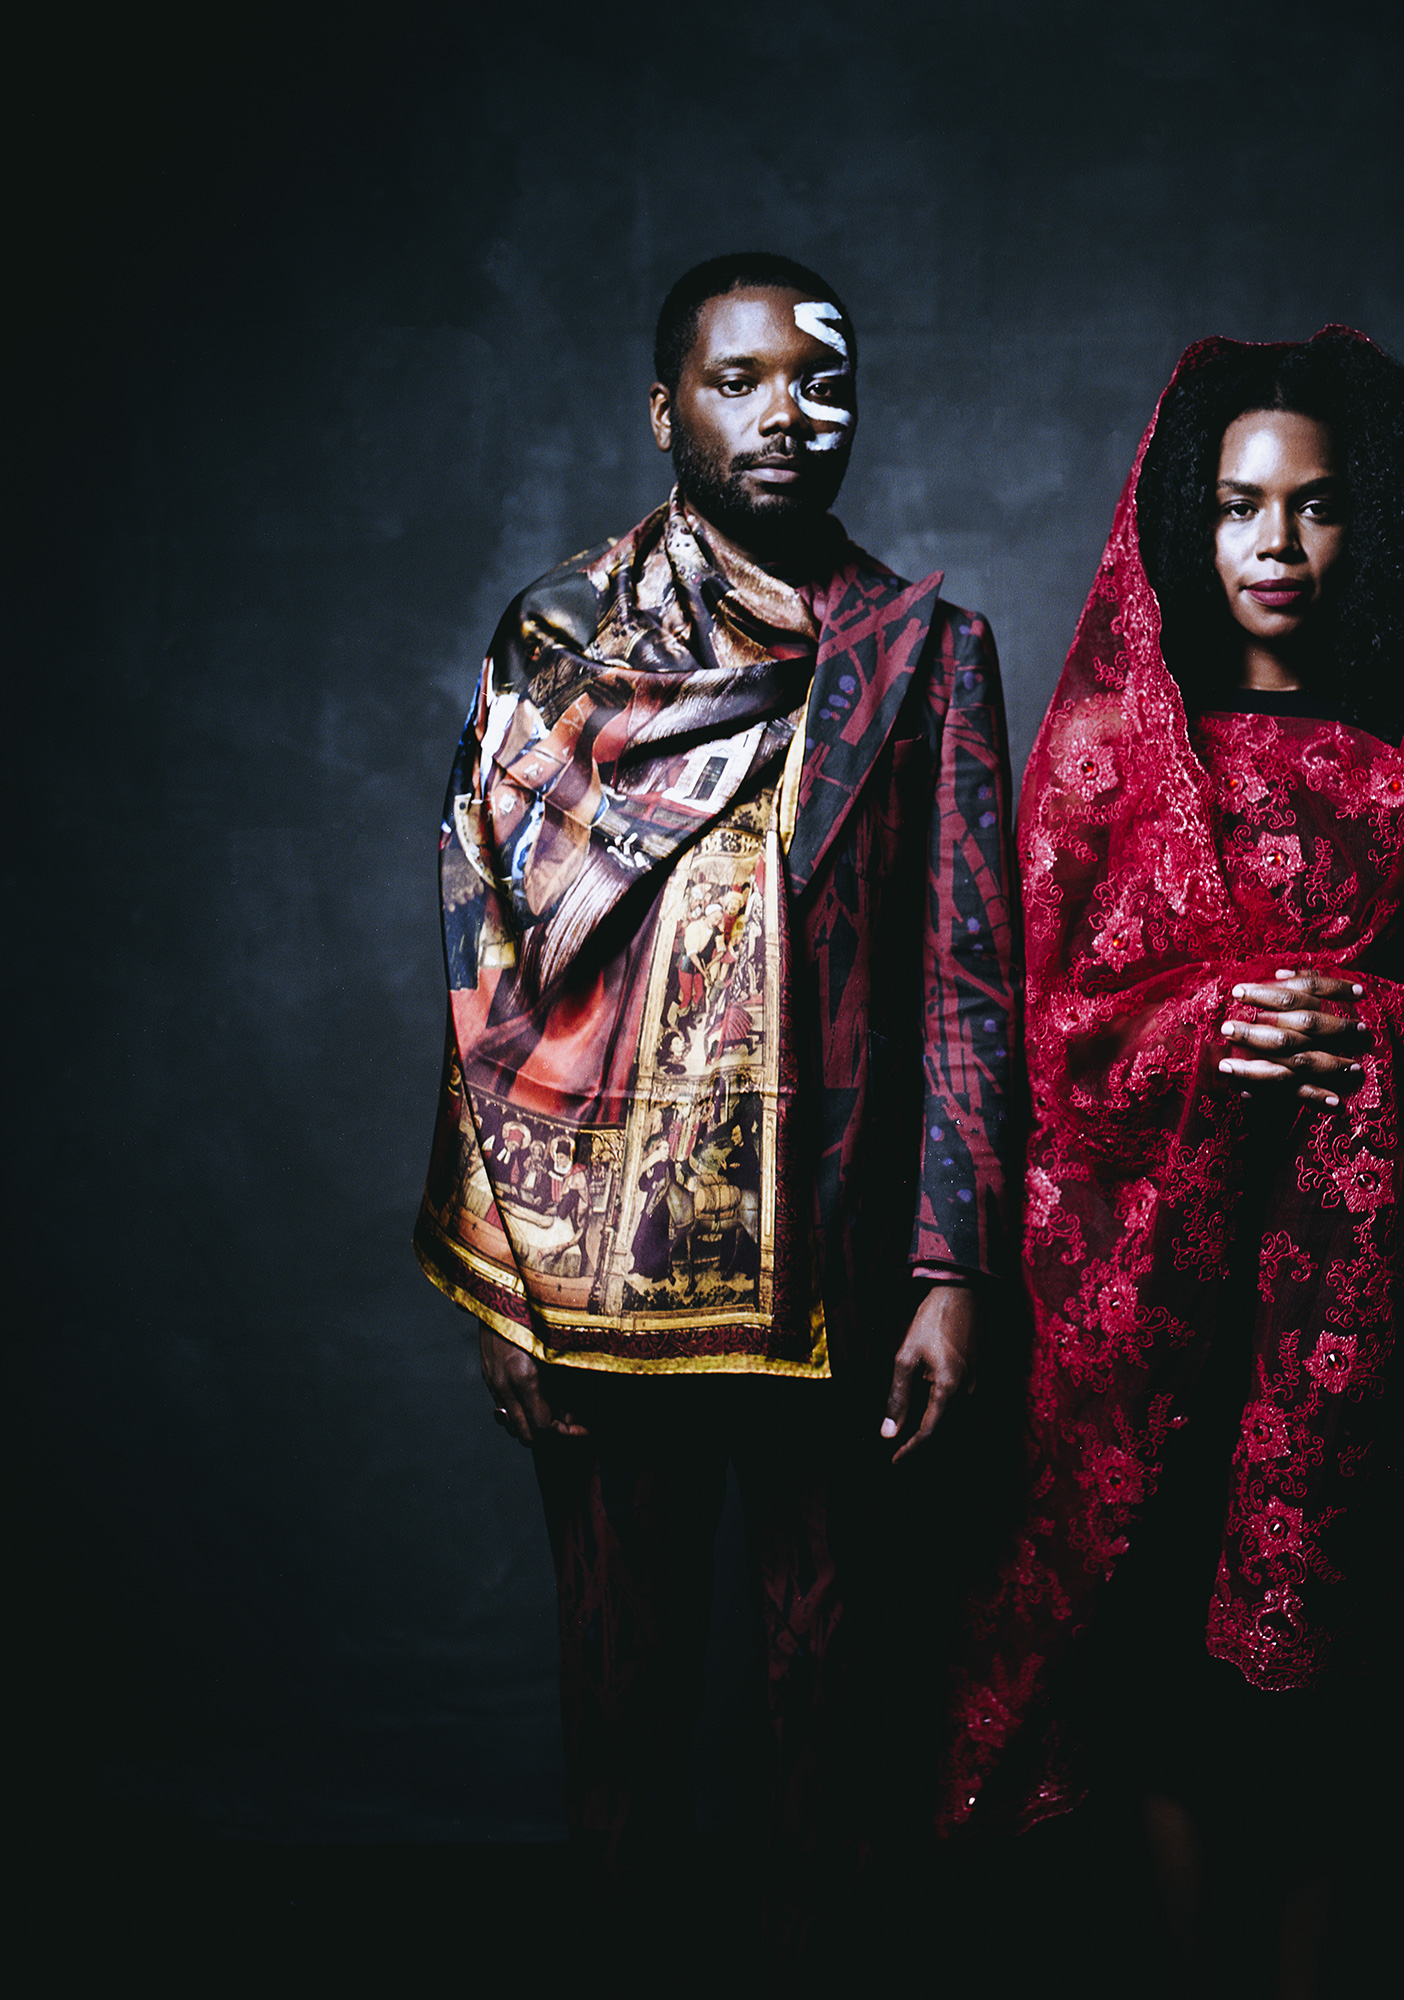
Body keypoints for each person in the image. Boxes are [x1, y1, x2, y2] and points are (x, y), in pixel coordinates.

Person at [942, 328, 1404, 1991]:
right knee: (1165, 1686)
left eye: (1313, 507)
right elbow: (1051, 1021)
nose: (1275, 545)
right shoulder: (1112, 751)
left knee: (1331, 1706)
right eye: (1239, 507)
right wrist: (1211, 1027)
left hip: (1362, 1334)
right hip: (1168, 1319)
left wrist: (1381, 1034)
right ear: (1192, 520)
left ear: (1367, 524)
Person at [412, 253, 1021, 1943]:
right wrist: (503, 1283)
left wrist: (954, 1267)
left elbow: (969, 979)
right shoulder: (561, 645)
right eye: (738, 381)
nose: (784, 415)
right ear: (663, 410)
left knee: (840, 1711)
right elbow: (483, 973)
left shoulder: (923, 654)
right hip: (594, 1277)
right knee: (621, 1702)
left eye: (818, 381)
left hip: (838, 1269)